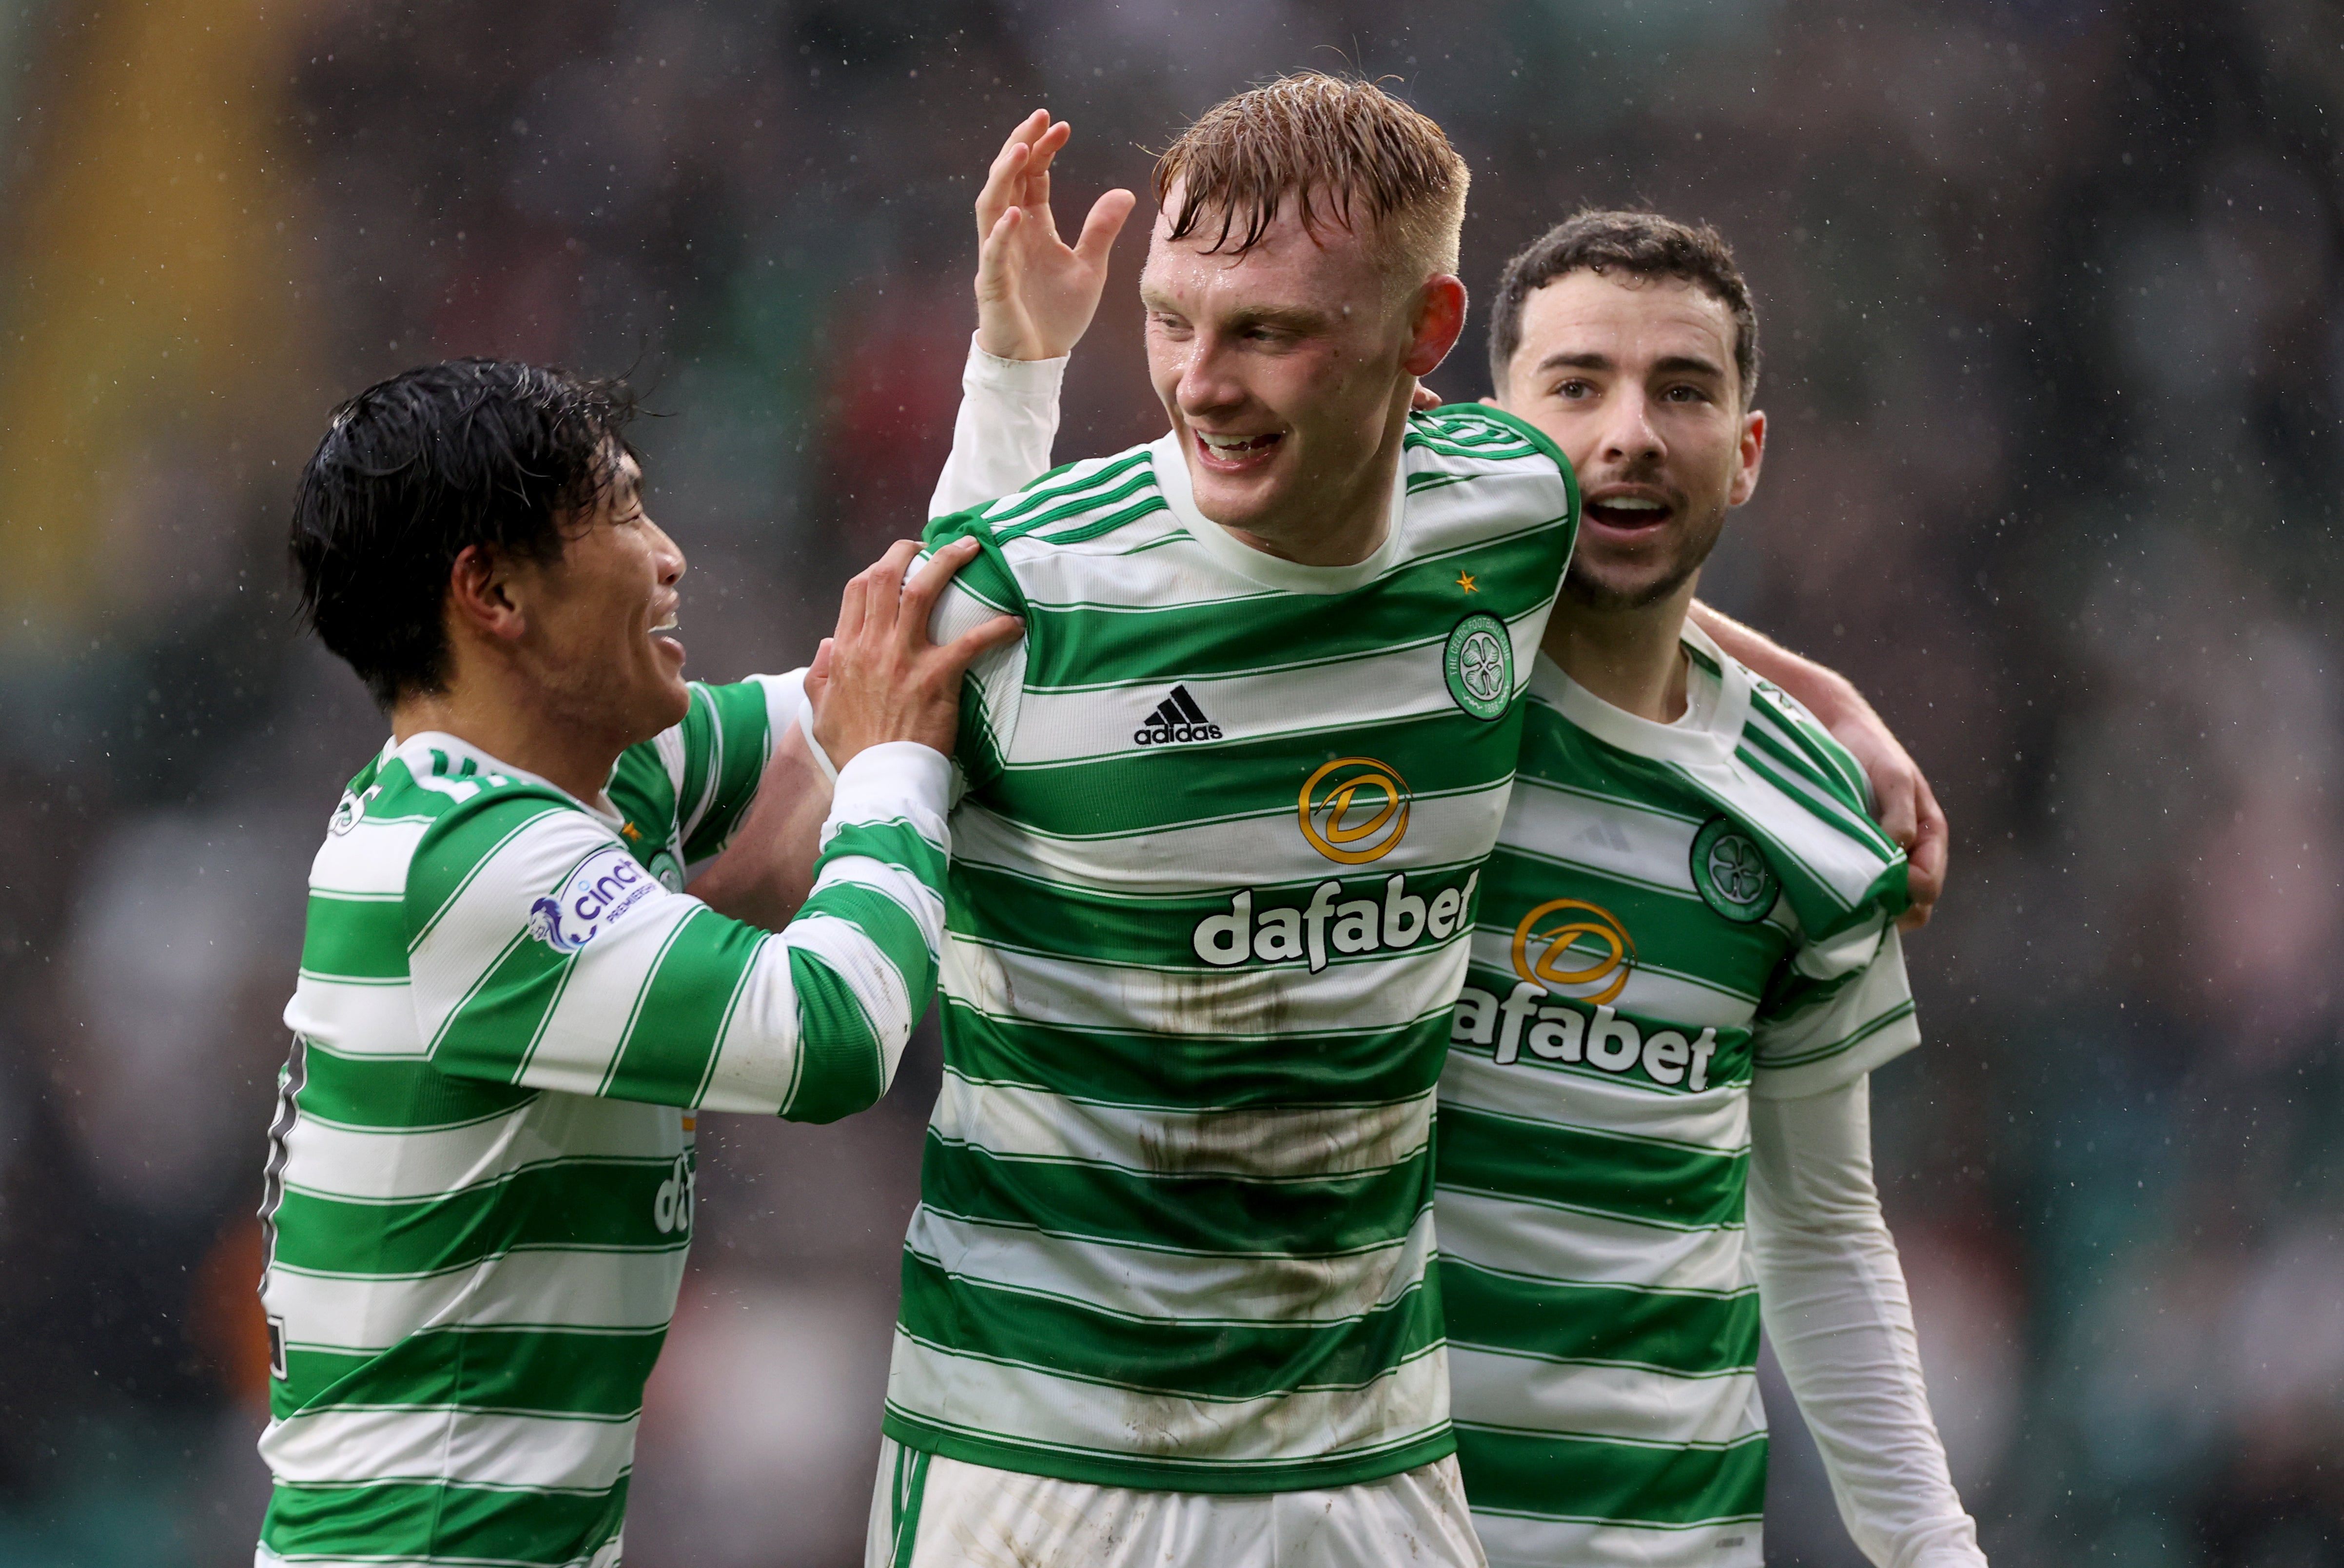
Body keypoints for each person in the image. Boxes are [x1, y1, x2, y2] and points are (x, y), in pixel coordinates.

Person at [924, 118, 1983, 1568]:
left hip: (1670, 1538)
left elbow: (1823, 1222)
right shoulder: (1371, 695)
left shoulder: (1805, 811)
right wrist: (1015, 377)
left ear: (1745, 454)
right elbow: (1018, 612)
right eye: (1578, 386)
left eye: (1680, 392)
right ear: (1463, 422)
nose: (1625, 432)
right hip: (1356, 1509)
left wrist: (1932, 1549)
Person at [256, 358, 1018, 1568]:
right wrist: (889, 775)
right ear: (493, 590)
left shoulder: (576, 786)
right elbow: (832, 1034)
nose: (669, 554)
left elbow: (890, 675)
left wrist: (1008, 369)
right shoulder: (470, 863)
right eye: (619, 513)